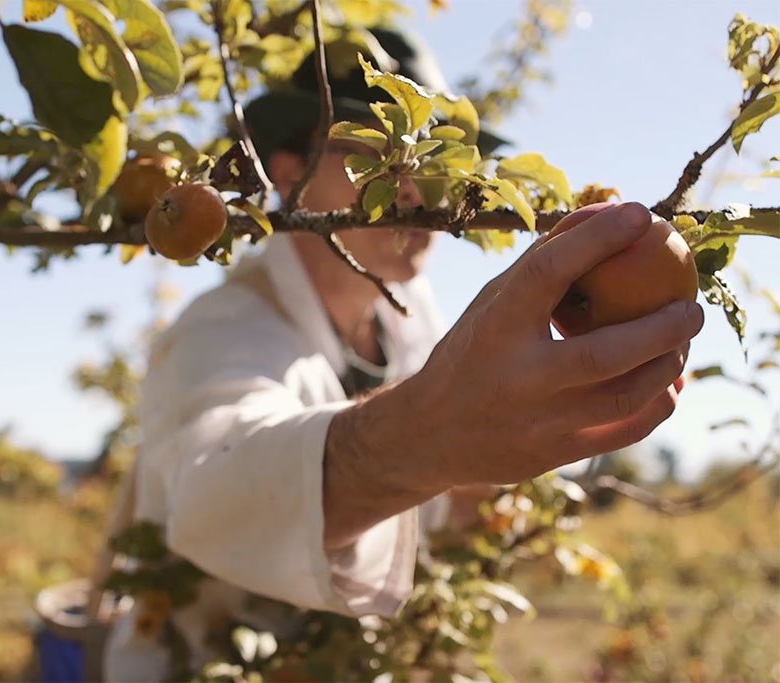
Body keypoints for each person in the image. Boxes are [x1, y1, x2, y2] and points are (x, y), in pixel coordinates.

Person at [99, 25, 703, 682]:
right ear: (288, 173)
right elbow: (213, 483)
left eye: (432, 164)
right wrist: (421, 436)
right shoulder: (220, 327)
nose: (412, 189)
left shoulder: (414, 323)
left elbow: (450, 502)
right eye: (373, 156)